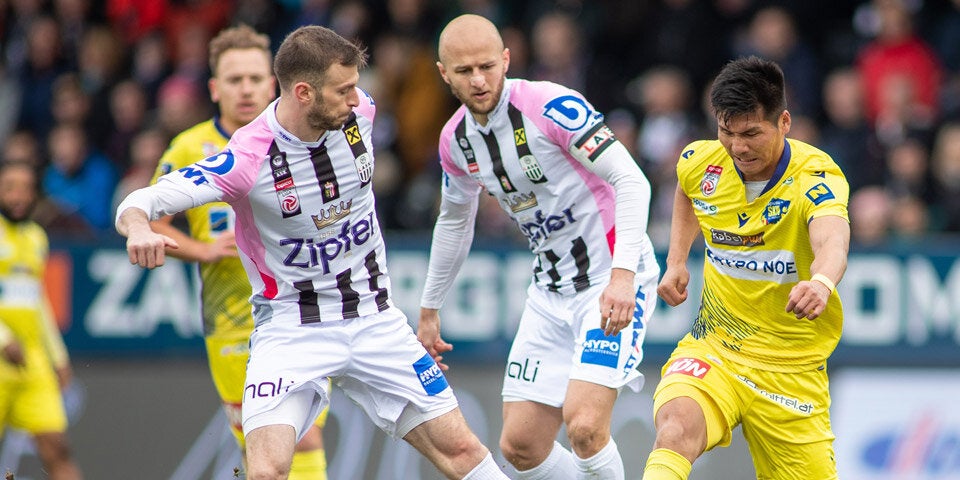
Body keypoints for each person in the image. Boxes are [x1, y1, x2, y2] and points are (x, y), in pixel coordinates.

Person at [115, 25, 508, 480]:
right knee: (266, 471)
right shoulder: (247, 158)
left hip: (375, 319)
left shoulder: (361, 114)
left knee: (462, 451)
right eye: (343, 90)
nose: (357, 99)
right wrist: (139, 228)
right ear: (303, 93)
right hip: (291, 330)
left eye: (356, 87)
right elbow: (140, 201)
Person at [419, 14, 660, 480]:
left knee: (585, 426)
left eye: (487, 66)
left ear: (507, 59)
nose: (479, 80)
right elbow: (453, 221)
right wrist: (429, 308)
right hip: (549, 293)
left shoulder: (550, 105)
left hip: (607, 281)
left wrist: (623, 277)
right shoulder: (456, 141)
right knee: (521, 446)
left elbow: (632, 180)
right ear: (444, 73)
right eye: (465, 71)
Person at [644, 56, 850, 480]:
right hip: (715, 350)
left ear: (784, 122)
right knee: (675, 428)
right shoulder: (701, 161)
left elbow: (832, 239)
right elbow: (686, 189)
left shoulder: (816, 177)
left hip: (790, 369)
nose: (738, 147)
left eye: (752, 133)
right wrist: (677, 259)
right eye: (727, 131)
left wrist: (822, 282)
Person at [145, 25, 327, 478]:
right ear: (214, 88)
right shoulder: (189, 147)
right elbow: (151, 220)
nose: (245, 89)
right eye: (234, 79)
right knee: (260, 446)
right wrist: (202, 249)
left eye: (254, 78)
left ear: (273, 84)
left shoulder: (301, 137)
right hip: (232, 320)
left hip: (301, 311)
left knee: (303, 436)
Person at [0, 161, 84, 480]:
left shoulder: (36, 237)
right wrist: (3, 339)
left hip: (31, 359)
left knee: (57, 447)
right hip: (4, 354)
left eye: (26, 188)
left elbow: (39, 302)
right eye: (10, 188)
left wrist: (58, 357)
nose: (18, 196)